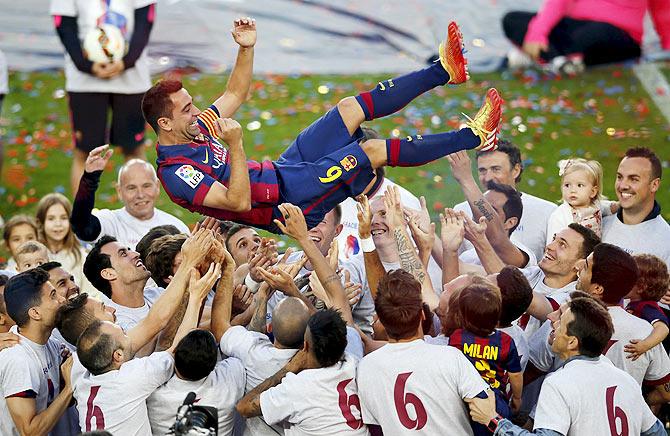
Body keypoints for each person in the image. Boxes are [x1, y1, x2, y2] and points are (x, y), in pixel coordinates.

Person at [146, 22, 503, 233]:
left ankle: (444, 71)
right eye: (188, 109)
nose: (198, 112)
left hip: (282, 170)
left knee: (348, 109)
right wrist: (236, 146)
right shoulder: (178, 173)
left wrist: (246, 48)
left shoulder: (195, 128)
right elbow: (238, 201)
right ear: (165, 123)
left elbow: (235, 91)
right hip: (288, 203)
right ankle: (474, 135)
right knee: (370, 152)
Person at [235, 202, 366, 434]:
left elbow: (245, 406)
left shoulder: (348, 276)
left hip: (293, 385)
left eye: (322, 222)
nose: (314, 227)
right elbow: (257, 332)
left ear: (337, 231)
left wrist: (291, 293)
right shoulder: (280, 265)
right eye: (310, 220)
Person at [469, 297, 666, 435]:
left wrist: (494, 421)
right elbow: (656, 432)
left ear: (572, 342)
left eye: (560, 325)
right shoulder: (625, 380)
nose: (553, 324)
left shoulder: (559, 382)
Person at [70, 261, 219, 434]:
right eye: (124, 335)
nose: (130, 335)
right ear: (117, 356)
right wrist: (195, 297)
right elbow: (178, 348)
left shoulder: (80, 374)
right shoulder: (131, 377)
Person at [357, 269, 490, 434]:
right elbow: (485, 414)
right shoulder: (450, 357)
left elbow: (376, 430)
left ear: (380, 320)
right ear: (422, 315)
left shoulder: (366, 367)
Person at [50, 0, 157, 194]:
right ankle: (82, 221)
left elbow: (146, 20)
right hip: (85, 82)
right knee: (85, 153)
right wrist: (86, 65)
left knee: (134, 150)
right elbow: (63, 23)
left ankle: (142, 219)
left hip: (131, 80)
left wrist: (126, 62)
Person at [453, 140, 557, 262]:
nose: (488, 177)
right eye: (482, 170)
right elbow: (455, 264)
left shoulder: (547, 211)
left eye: (496, 169)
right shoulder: (461, 210)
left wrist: (466, 180)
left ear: (516, 170)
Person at [0, 268, 74, 436]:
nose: (62, 299)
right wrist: (69, 388)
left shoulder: (52, 345)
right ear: (35, 313)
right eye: (53, 295)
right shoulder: (17, 359)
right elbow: (30, 431)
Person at [501, 0, 670, 72]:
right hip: (575, 27)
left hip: (617, 36)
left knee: (595, 36)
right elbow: (559, 2)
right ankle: (559, 61)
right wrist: (537, 34)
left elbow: (663, 10)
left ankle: (549, 57)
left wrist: (668, 47)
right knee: (512, 19)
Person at [334, 128, 422, 260]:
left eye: (361, 157)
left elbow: (415, 259)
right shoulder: (330, 198)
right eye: (348, 158)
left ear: (378, 159)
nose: (354, 164)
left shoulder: (404, 201)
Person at [71, 153, 189, 250]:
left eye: (146, 186)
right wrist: (90, 179)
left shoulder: (177, 227)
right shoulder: (110, 222)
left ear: (157, 186)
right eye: (131, 188)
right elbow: (82, 227)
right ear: (119, 191)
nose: (140, 195)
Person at [146, 329, 245, 436]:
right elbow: (247, 346)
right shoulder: (231, 379)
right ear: (214, 365)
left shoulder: (153, 391)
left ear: (174, 352)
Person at [602, 147, 670, 268]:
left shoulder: (666, 242)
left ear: (654, 185)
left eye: (633, 179)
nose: (623, 185)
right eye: (619, 177)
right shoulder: (599, 223)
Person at [36, 192, 96, 296]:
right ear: (41, 222)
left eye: (63, 218)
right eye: (51, 218)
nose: (58, 224)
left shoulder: (80, 256)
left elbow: (91, 292)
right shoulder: (35, 255)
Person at [546, 158, 616, 241]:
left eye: (579, 185)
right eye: (567, 185)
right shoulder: (560, 216)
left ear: (593, 192)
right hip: (570, 252)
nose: (572, 190)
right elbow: (553, 242)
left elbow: (608, 207)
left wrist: (619, 206)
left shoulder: (596, 206)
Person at [624, 254, 670, 359]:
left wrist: (644, 346)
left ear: (641, 287)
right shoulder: (633, 303)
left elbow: (663, 328)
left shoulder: (647, 307)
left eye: (627, 278)